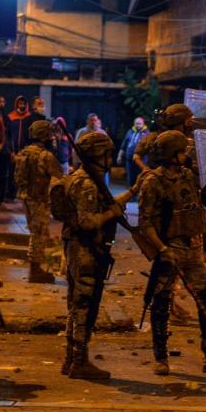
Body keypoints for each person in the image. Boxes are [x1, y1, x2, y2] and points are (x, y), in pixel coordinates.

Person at [137, 130, 206, 377]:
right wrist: (161, 249)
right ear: (172, 154)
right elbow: (145, 223)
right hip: (169, 249)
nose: (186, 154)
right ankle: (161, 357)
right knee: (160, 302)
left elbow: (197, 202)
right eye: (182, 151)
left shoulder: (188, 176)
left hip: (192, 248)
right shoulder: (153, 182)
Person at [59, 132, 139, 379]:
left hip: (79, 248)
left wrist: (132, 191)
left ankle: (72, 359)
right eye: (106, 153)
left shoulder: (84, 179)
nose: (110, 157)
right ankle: (79, 361)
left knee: (77, 305)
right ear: (96, 154)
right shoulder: (86, 183)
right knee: (84, 307)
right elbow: (87, 221)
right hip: (85, 250)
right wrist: (111, 214)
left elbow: (103, 205)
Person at [14, 120, 63, 283]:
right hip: (39, 200)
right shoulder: (45, 155)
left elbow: (18, 179)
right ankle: (35, 271)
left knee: (35, 233)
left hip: (27, 198)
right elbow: (60, 176)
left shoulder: (24, 153)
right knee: (39, 234)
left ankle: (35, 268)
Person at [2, 95, 31, 203]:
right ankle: (10, 195)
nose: (22, 105)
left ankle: (24, 195)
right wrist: (11, 151)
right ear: (16, 104)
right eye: (20, 103)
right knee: (12, 173)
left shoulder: (29, 117)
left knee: (25, 174)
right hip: (13, 151)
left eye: (24, 103)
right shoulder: (10, 117)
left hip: (25, 151)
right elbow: (7, 135)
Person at [118, 117, 149, 187]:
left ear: (143, 124)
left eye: (140, 124)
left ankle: (139, 195)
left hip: (141, 160)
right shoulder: (130, 132)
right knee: (130, 178)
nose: (138, 125)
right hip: (129, 159)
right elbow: (124, 145)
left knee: (140, 178)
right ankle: (132, 195)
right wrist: (119, 156)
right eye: (136, 123)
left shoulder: (147, 133)